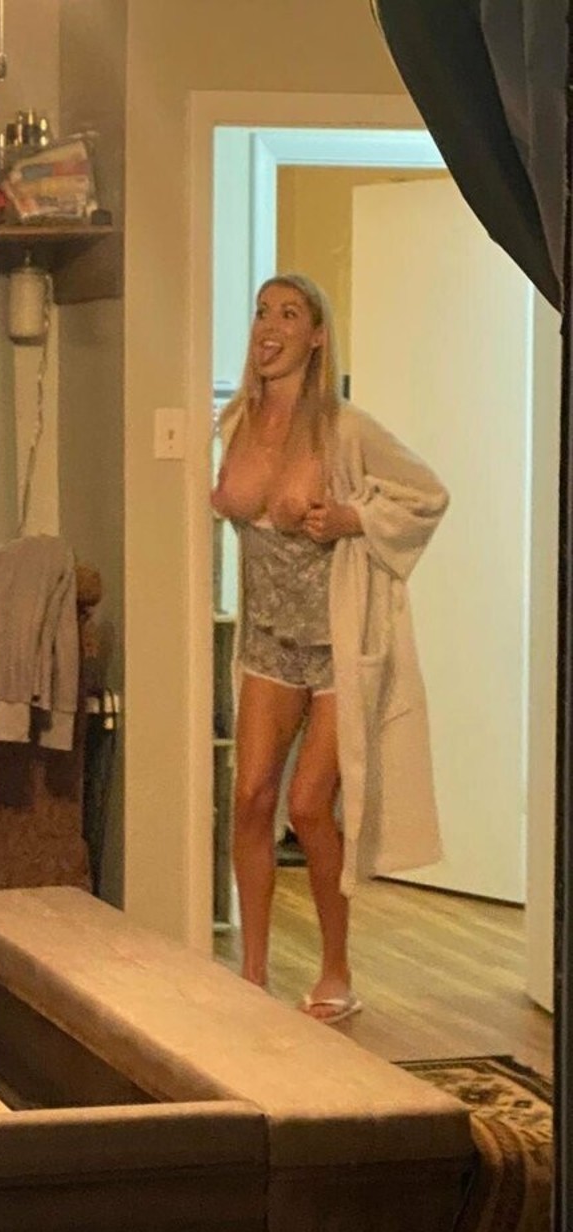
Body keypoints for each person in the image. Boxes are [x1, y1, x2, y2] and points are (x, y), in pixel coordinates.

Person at [210, 273, 448, 1023]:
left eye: (289, 314)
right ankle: (252, 973)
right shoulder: (233, 423)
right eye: (262, 312)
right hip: (268, 641)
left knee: (310, 805)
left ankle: (337, 969)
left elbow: (427, 494)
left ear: (316, 336)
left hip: (338, 642)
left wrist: (352, 518)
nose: (270, 326)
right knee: (250, 797)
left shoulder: (345, 429)